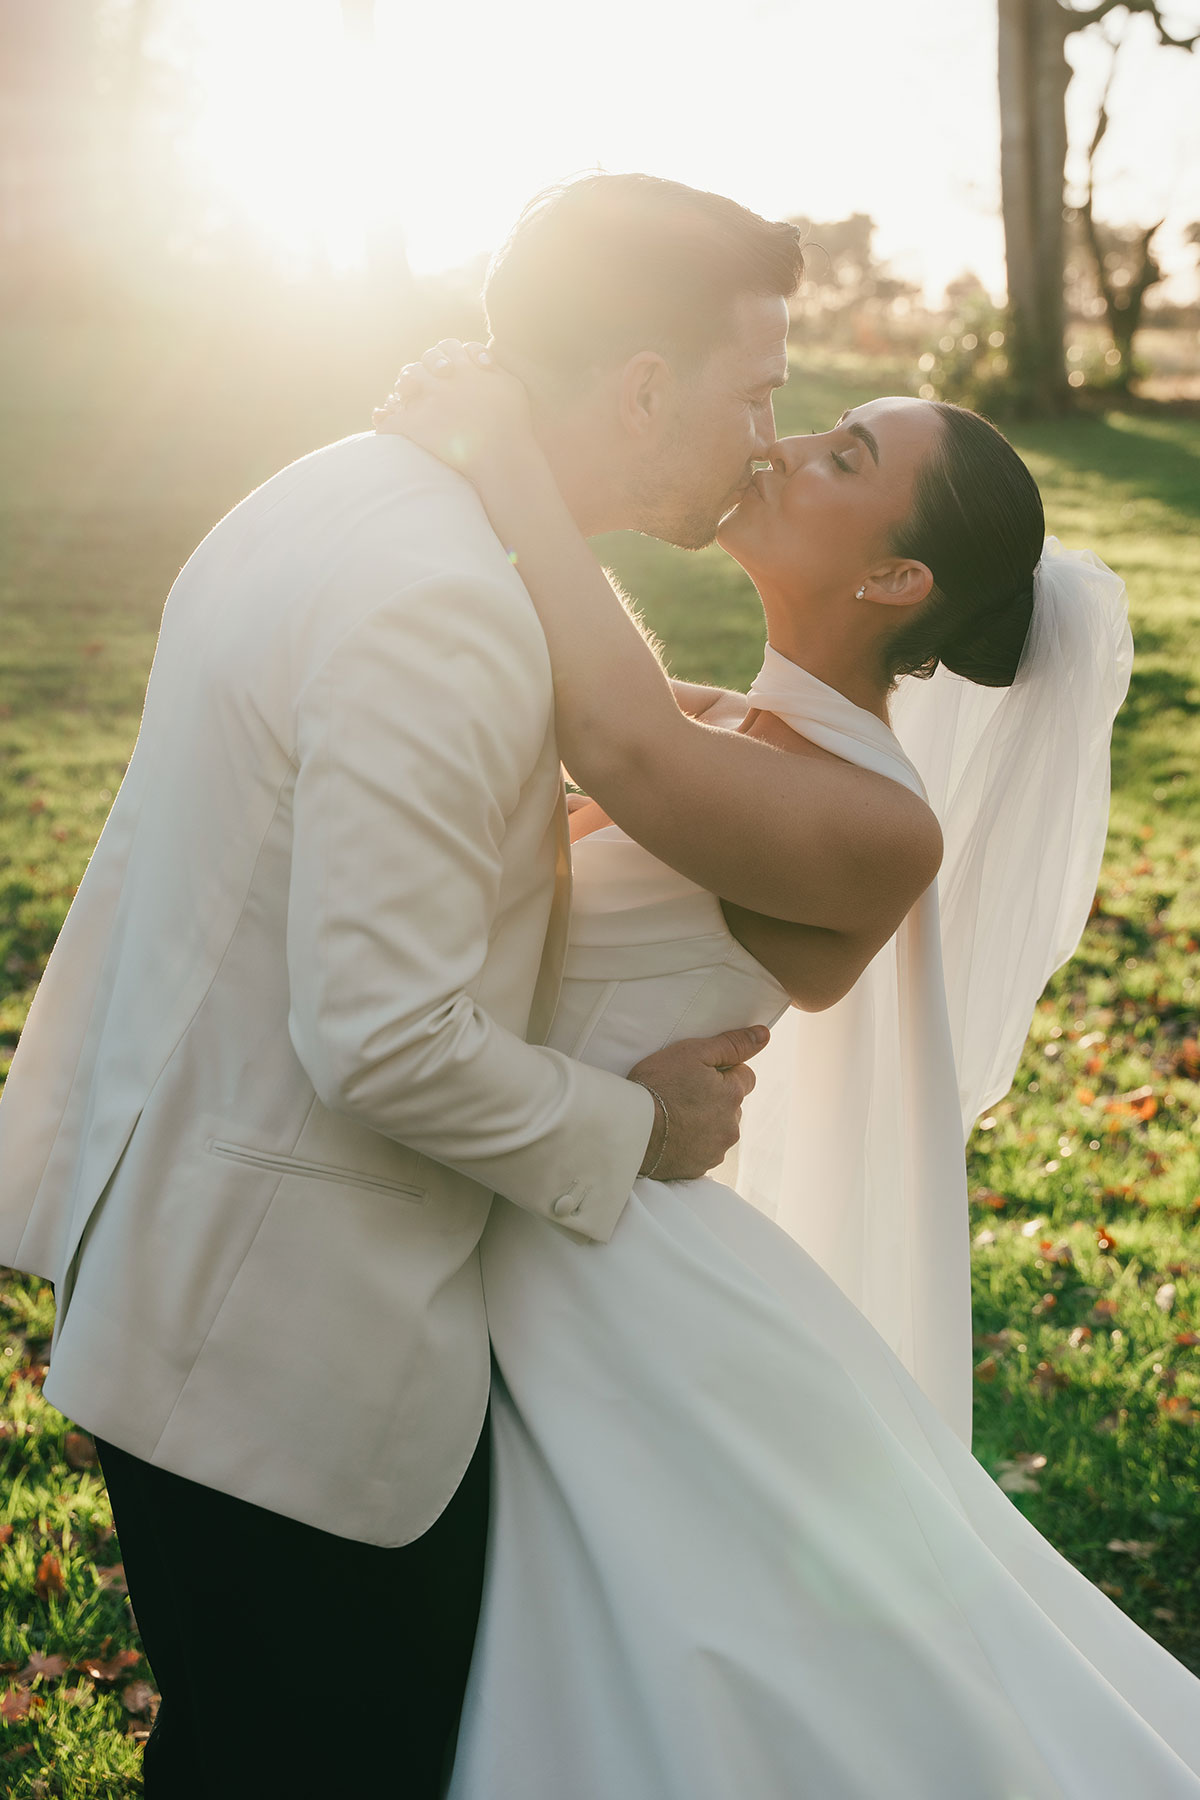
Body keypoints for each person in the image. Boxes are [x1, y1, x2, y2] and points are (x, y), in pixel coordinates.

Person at [0, 175, 941, 1798]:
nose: (767, 434)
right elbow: (386, 1036)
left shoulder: (341, 488)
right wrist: (636, 1126)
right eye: (757, 391)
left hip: (177, 1252)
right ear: (642, 387)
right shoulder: (447, 608)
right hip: (277, 1347)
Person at [375, 349, 1200, 1795]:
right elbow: (623, 714)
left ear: (895, 584)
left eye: (844, 459)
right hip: (525, 1196)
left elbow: (613, 734)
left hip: (600, 1275)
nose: (786, 442)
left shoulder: (878, 822)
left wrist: (515, 448)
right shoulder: (726, 722)